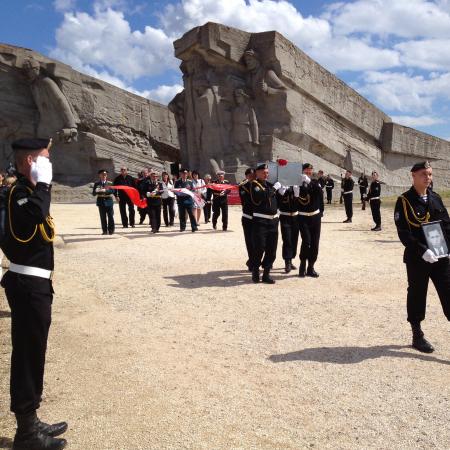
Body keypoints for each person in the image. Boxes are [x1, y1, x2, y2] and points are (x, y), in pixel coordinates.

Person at [1, 138, 67, 450]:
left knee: (33, 353)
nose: (49, 164)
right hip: (28, 286)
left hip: (35, 285)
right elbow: (37, 217)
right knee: (27, 355)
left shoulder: (27, 191)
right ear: (31, 162)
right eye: (45, 159)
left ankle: (31, 418)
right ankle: (26, 434)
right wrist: (44, 185)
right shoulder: (19, 193)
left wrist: (42, 185)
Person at [394, 161, 450, 353]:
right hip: (418, 258)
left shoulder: (435, 198)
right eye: (424, 174)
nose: (428, 178)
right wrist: (422, 251)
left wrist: (447, 248)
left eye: (430, 174)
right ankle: (417, 334)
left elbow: (447, 226)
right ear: (414, 176)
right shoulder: (404, 201)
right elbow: (404, 232)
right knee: (417, 294)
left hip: (440, 257)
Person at [249, 163, 282, 283]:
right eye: (263, 172)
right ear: (257, 173)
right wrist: (274, 189)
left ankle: (266, 273)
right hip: (260, 221)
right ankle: (255, 271)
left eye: (267, 172)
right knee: (259, 248)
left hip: (273, 221)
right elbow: (262, 196)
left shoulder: (269, 185)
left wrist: (282, 190)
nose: (266, 174)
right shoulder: (254, 185)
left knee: (271, 249)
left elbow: (276, 198)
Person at [294, 163, 322, 278]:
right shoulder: (297, 183)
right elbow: (294, 201)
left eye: (310, 170)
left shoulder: (315, 182)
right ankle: (302, 265)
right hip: (303, 217)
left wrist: (309, 182)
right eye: (306, 170)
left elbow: (319, 193)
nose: (308, 172)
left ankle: (311, 267)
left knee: (315, 243)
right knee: (306, 241)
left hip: (315, 217)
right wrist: (295, 192)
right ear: (302, 171)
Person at [277, 183, 299, 274]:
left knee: (294, 239)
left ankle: (291, 258)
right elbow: (278, 200)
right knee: (287, 239)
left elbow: (299, 200)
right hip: (285, 216)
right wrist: (281, 191)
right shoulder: (281, 186)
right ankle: (287, 261)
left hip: (295, 216)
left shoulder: (296, 186)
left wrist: (296, 190)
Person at [238, 168, 256, 271]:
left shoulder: (260, 185)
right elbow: (247, 201)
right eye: (249, 175)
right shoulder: (243, 187)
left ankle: (253, 261)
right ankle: (252, 261)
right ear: (246, 176)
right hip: (248, 217)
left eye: (253, 175)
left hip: (258, 217)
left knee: (259, 242)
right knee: (250, 241)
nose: (252, 177)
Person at [92, 169, 116, 235]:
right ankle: (104, 231)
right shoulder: (97, 183)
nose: (104, 176)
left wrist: (105, 191)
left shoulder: (110, 183)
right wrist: (96, 191)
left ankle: (111, 230)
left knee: (110, 216)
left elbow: (113, 191)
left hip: (109, 201)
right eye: (102, 174)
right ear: (100, 175)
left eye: (105, 174)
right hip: (101, 201)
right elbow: (93, 193)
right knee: (103, 217)